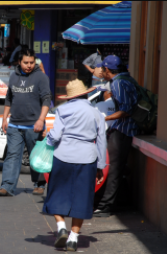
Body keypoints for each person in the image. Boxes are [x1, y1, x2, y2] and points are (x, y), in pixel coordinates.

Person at [43, 79, 106, 252]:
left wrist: (46, 140)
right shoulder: (96, 113)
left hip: (63, 155)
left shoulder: (63, 110)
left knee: (56, 193)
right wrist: (100, 165)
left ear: (70, 97)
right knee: (82, 198)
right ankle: (73, 238)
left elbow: (55, 136)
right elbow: (101, 141)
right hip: (87, 158)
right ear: (86, 94)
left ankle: (61, 227)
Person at [0, 48, 51, 197]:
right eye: (26, 62)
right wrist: (4, 118)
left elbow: (46, 99)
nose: (29, 65)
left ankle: (39, 184)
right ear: (20, 62)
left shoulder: (41, 77)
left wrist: (40, 120)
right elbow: (8, 99)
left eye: (32, 62)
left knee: (36, 156)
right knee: (12, 155)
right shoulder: (13, 76)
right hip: (14, 124)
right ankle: (7, 186)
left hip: (34, 125)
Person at [93, 55, 139, 217]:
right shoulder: (127, 79)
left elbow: (126, 110)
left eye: (102, 69)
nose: (100, 72)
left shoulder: (118, 83)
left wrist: (104, 118)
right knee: (118, 167)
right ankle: (119, 201)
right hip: (126, 130)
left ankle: (105, 206)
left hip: (124, 130)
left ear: (107, 70)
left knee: (112, 168)